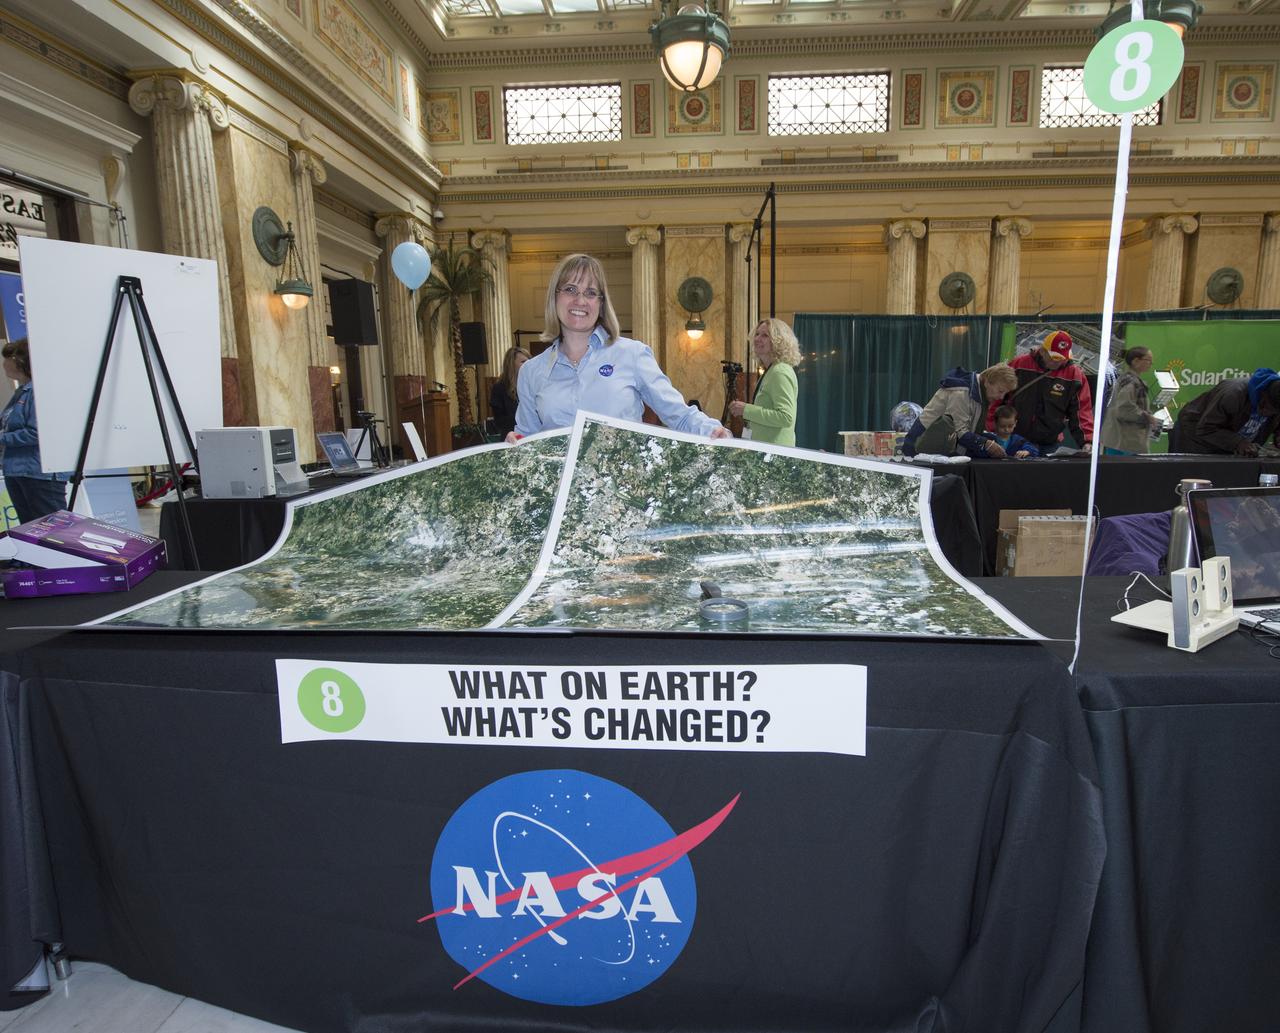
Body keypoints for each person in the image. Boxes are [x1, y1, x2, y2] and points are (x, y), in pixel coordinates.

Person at [510, 254, 729, 440]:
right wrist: (515, 443)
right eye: (570, 289)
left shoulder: (632, 354)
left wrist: (714, 432)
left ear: (601, 303)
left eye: (591, 292)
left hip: (624, 488)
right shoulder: (531, 372)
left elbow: (678, 415)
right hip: (561, 489)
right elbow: (528, 439)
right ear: (554, 297)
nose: (580, 300)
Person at [1, 338, 69, 524]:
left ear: (22, 361)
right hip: (17, 471)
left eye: (9, 358)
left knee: (54, 531)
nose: (4, 363)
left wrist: (2, 438)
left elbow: (37, 433)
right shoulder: (21, 392)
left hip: (38, 473)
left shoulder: (40, 392)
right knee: (30, 530)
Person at [995, 330, 1094, 452]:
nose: (1057, 362)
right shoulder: (1019, 364)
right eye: (1054, 357)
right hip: (1013, 440)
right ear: (1042, 351)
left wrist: (1087, 441)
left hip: (1049, 443)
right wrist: (991, 430)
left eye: (1062, 358)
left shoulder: (1075, 375)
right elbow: (997, 397)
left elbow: (1081, 411)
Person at [902, 362, 1018, 457]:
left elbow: (968, 430)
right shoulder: (961, 393)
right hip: (920, 449)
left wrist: (992, 440)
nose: (1001, 397)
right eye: (1000, 391)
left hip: (934, 449)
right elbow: (959, 432)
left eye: (1005, 393)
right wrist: (987, 444)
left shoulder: (980, 394)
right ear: (987, 382)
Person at [1171, 368, 1280, 456]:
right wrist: (1239, 443)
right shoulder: (1233, 394)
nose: (1266, 413)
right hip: (1193, 436)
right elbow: (1206, 428)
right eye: (1265, 407)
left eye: (1272, 412)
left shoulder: (1276, 403)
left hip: (1226, 444)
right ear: (1263, 395)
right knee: (1190, 477)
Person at [728, 318, 800, 446]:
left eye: (765, 335)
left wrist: (746, 410)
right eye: (757, 334)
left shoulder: (780, 372)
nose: (757, 339)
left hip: (775, 454)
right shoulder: (771, 370)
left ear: (779, 342)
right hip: (767, 450)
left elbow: (786, 417)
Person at [1101, 346, 1163, 455]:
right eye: (1148, 360)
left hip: (1121, 441)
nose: (1151, 363)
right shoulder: (1131, 383)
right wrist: (1147, 417)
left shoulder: (1128, 380)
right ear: (1136, 361)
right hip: (1125, 442)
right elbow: (1124, 409)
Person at [489, 345, 530, 437]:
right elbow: (499, 421)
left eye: (529, 360)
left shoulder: (533, 385)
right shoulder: (499, 388)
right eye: (523, 361)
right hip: (512, 438)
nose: (528, 364)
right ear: (511, 365)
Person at [975, 404, 1040, 459]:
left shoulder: (1018, 440)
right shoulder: (987, 438)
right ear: (995, 423)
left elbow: (1034, 450)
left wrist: (1027, 451)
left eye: (1010, 426)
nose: (1006, 429)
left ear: (1015, 423)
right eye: (1002, 426)